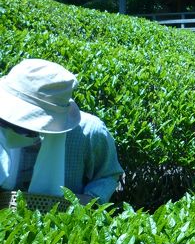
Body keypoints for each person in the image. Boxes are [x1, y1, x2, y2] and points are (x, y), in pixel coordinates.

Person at [0, 59, 123, 203]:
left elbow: (107, 174)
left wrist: (86, 201)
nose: (8, 128)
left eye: (22, 128)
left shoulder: (90, 132)